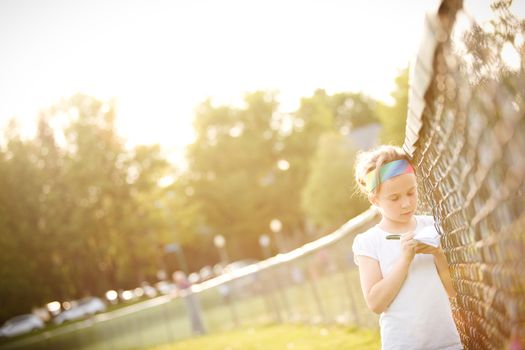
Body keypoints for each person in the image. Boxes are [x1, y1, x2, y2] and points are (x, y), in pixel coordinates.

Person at [352, 145, 462, 350]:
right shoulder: (369, 241)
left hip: (446, 341)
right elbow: (376, 303)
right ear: (374, 200)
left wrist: (438, 254)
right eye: (394, 198)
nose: (406, 204)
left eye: (411, 192)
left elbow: (453, 291)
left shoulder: (432, 225)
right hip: (403, 344)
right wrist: (405, 260)